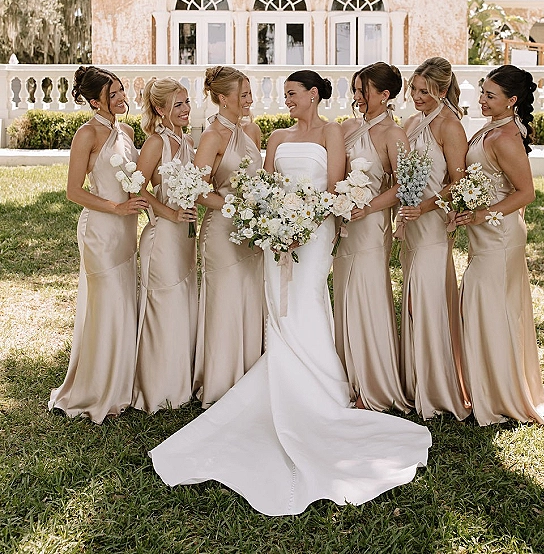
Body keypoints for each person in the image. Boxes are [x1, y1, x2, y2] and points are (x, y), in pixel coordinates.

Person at [150, 70, 431, 517]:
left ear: (313, 95)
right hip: (273, 234)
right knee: (277, 306)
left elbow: (334, 187)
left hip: (315, 233)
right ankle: (281, 377)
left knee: (306, 301)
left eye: (292, 94)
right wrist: (273, 223)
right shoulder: (276, 137)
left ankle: (321, 388)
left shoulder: (334, 132)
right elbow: (262, 187)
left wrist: (305, 223)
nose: (285, 101)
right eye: (283, 95)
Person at [49, 65, 148, 423]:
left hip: (126, 231)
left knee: (124, 303)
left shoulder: (126, 130)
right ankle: (97, 387)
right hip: (101, 231)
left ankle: (122, 384)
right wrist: (116, 207)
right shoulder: (86, 134)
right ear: (95, 101)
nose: (123, 98)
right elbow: (74, 191)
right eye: (114, 94)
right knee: (107, 304)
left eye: (122, 90)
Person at [454, 65, 544, 426]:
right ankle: (487, 391)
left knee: (491, 308)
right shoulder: (487, 129)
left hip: (501, 235)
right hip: (484, 234)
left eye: (491, 95)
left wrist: (483, 214)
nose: (482, 99)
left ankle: (504, 397)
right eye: (483, 92)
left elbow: (527, 193)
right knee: (485, 308)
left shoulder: (506, 137)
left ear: (512, 101)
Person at [333, 62, 410, 413]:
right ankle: (343, 377)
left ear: (385, 94)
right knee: (344, 296)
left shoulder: (394, 135)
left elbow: (403, 187)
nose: (357, 97)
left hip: (372, 225)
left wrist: (367, 207)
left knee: (367, 298)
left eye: (364, 91)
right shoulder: (348, 127)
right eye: (356, 90)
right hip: (344, 227)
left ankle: (373, 385)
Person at [398, 57, 471, 421]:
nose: (416, 96)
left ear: (442, 91)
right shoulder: (411, 123)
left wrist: (424, 207)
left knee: (427, 301)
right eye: (413, 88)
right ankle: (415, 383)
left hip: (431, 225)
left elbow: (458, 182)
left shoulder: (449, 126)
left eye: (424, 91)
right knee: (412, 300)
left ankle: (437, 390)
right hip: (409, 226)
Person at [192, 66, 264, 408]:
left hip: (251, 235)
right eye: (244, 94)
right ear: (223, 98)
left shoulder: (251, 131)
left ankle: (249, 378)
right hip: (222, 231)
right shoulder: (212, 137)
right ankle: (222, 384)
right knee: (225, 304)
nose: (250, 99)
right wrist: (236, 207)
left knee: (249, 301)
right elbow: (197, 191)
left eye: (249, 93)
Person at [132, 78, 198, 413]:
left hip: (185, 239)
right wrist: (170, 214)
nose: (186, 110)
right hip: (162, 238)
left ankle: (180, 383)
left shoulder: (186, 141)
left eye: (187, 102)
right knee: (165, 306)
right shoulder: (157, 142)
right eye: (178, 105)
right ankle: (158, 388)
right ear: (160, 109)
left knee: (183, 304)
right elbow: (137, 190)